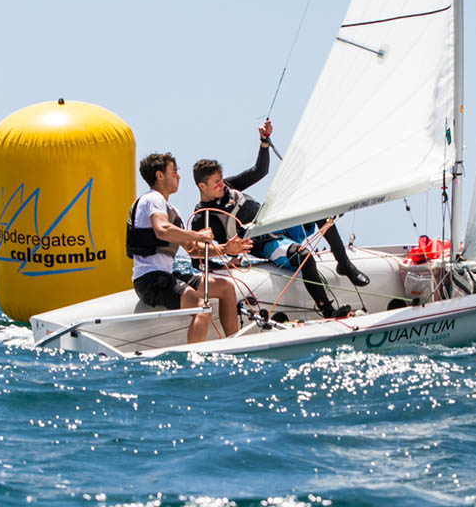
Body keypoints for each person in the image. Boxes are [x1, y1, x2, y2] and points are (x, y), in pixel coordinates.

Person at [191, 120, 369, 319]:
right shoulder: (202, 217)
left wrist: (264, 141)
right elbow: (197, 258)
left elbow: (260, 171)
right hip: (267, 243)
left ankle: (343, 263)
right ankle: (327, 310)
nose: (222, 185)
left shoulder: (229, 186)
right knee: (305, 258)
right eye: (216, 183)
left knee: (318, 212)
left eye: (221, 179)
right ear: (202, 186)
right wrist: (228, 265)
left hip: (279, 225)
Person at [127, 152, 252, 344]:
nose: (178, 176)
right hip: (150, 280)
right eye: (174, 172)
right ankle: (194, 358)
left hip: (167, 275)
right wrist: (197, 234)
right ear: (160, 175)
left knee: (225, 287)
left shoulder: (171, 210)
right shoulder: (152, 199)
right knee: (202, 308)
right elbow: (162, 230)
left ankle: (233, 343)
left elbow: (193, 249)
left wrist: (225, 249)